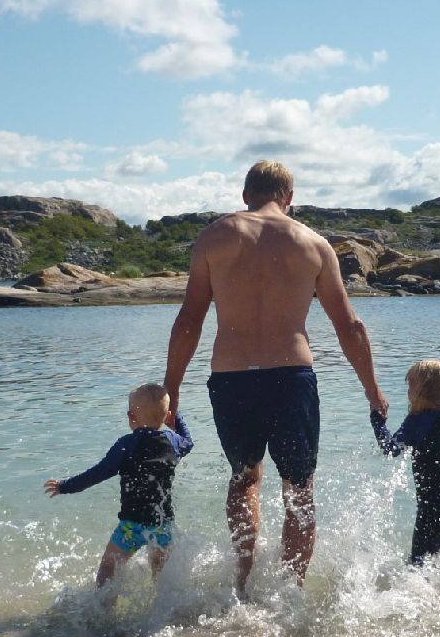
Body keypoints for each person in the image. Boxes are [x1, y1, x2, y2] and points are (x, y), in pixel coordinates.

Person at [164, 160, 388, 598]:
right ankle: (291, 593)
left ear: (246, 194)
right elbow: (351, 327)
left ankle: (245, 585)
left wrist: (171, 388)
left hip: (231, 377)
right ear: (289, 197)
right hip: (292, 376)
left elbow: (189, 319)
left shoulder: (214, 237)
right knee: (299, 488)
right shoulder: (313, 243)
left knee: (245, 477)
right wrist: (371, 389)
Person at [44, 383, 194, 587]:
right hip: (162, 525)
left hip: (131, 525)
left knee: (108, 567)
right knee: (160, 575)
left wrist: (65, 486)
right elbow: (188, 441)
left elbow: (98, 473)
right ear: (167, 416)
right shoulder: (174, 442)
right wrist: (177, 417)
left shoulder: (126, 445)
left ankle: (102, 608)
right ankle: (162, 612)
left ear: (131, 417)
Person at [371, 359, 440, 568]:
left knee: (418, 564)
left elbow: (390, 449)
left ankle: (427, 598)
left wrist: (376, 420)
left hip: (435, 506)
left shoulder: (419, 420)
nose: (408, 392)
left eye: (411, 386)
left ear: (423, 392)